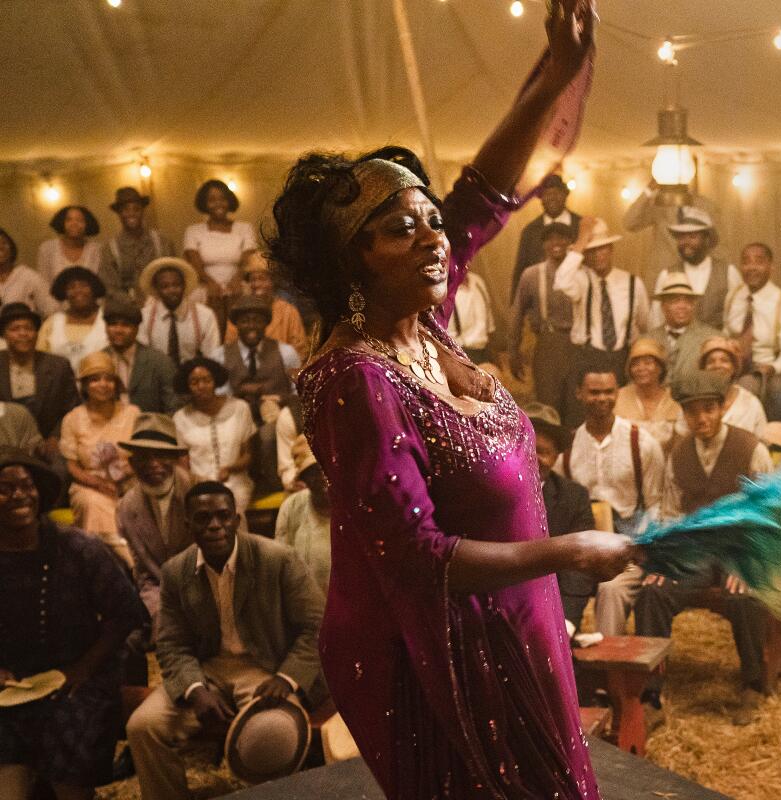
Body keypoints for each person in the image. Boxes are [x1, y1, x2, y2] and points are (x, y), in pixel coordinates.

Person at [270, 7, 637, 794]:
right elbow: (417, 559)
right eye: (401, 228)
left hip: (511, 606)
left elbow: (485, 193)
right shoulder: (355, 382)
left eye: (432, 222)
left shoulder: (424, 326)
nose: (436, 238)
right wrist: (571, 551)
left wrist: (555, 70)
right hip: (432, 639)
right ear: (353, 260)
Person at [126, 481, 325, 800]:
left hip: (267, 668)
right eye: (203, 518)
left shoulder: (277, 559)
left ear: (237, 519)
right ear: (188, 525)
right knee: (142, 726)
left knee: (274, 734)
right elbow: (172, 643)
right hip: (208, 670)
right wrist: (195, 689)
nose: (214, 526)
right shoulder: (176, 571)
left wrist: (287, 679)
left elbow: (316, 627)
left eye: (223, 516)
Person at [0, 448, 146, 800]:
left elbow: (126, 613)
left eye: (27, 485)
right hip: (12, 684)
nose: (19, 495)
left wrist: (81, 669)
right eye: (5, 487)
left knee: (68, 733)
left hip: (81, 679)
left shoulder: (78, 548)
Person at [637, 370, 775, 726]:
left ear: (722, 408)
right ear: (683, 415)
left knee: (742, 596)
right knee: (653, 591)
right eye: (692, 412)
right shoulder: (679, 453)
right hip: (695, 551)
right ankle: (651, 694)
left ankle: (753, 685)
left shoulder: (750, 448)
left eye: (709, 409)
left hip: (740, 548)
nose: (702, 419)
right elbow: (670, 513)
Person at [564, 365, 665, 635]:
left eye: (609, 391)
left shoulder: (641, 443)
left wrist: (643, 548)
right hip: (583, 549)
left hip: (627, 547)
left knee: (610, 590)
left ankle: (612, 669)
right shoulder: (569, 446)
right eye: (594, 392)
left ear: (618, 393)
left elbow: (656, 504)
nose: (602, 398)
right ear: (579, 394)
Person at [116, 414, 192, 638]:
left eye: (160, 455)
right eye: (143, 457)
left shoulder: (202, 492)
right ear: (131, 463)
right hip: (161, 594)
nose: (152, 464)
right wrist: (158, 610)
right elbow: (144, 573)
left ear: (175, 458)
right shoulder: (126, 508)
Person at [59, 351, 140, 562]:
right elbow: (72, 466)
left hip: (131, 481)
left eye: (108, 379)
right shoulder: (72, 419)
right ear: (84, 386)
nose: (103, 385)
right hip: (89, 485)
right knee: (92, 503)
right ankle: (129, 563)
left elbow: (142, 455)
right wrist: (98, 483)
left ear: (116, 384)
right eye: (95, 380)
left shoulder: (132, 413)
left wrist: (124, 478)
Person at [555, 217, 651, 391]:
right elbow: (561, 281)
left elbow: (645, 324)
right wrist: (581, 242)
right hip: (587, 358)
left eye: (602, 248)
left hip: (623, 359)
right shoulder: (581, 280)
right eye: (591, 251)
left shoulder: (632, 283)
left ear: (611, 249)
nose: (598, 255)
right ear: (585, 255)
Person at [525, 402, 596, 632]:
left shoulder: (574, 498)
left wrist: (566, 623)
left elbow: (580, 564)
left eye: (543, 452)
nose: (533, 458)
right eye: (526, 448)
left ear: (556, 457)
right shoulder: (492, 491)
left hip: (554, 605)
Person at [508, 222, 578, 417]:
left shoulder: (581, 272)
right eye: (550, 239)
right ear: (543, 244)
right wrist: (513, 351)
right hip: (548, 343)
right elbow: (517, 313)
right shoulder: (531, 275)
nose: (556, 243)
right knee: (548, 406)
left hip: (579, 345)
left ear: (571, 242)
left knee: (576, 404)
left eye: (562, 238)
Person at [172, 357, 256, 513]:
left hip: (235, 482)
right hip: (198, 485)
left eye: (207, 380)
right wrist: (194, 479)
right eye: (194, 382)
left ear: (215, 380)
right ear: (187, 385)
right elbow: (182, 464)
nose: (201, 386)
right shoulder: (180, 418)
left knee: (231, 511)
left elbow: (248, 456)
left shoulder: (240, 408)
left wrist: (230, 468)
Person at [723, 242, 781, 411]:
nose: (751, 267)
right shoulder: (733, 296)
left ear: (771, 267)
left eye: (759, 261)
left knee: (744, 389)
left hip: (765, 368)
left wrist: (773, 368)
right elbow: (726, 332)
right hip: (732, 365)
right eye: (746, 262)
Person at [0, 303, 79, 464]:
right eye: (15, 329)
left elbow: (72, 407)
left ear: (36, 333)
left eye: (29, 328)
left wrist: (56, 437)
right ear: (4, 335)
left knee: (60, 472)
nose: (23, 334)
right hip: (5, 441)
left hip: (48, 442)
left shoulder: (58, 365)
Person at [184, 179, 257, 330]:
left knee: (247, 301)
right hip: (205, 284)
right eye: (212, 200)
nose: (218, 204)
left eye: (222, 198)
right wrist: (210, 283)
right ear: (204, 204)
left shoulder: (245, 228)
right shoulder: (193, 231)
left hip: (238, 281)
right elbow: (194, 262)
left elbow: (249, 258)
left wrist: (236, 280)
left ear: (229, 200)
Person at [650, 207, 741, 329]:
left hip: (716, 344)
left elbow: (738, 316)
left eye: (692, 237)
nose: (686, 242)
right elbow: (656, 320)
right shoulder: (667, 275)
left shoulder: (728, 272)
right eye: (681, 237)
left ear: (707, 239)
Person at [102, 294, 180, 414]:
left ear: (137, 329)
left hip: (149, 429)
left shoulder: (160, 362)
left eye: (125, 325)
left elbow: (173, 408)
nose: (118, 330)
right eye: (113, 324)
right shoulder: (98, 359)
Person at [137, 256, 222, 365]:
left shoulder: (204, 315)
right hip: (156, 375)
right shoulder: (144, 317)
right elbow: (143, 359)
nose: (172, 290)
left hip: (192, 376)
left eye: (176, 285)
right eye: (165, 286)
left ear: (184, 285)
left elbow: (212, 357)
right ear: (156, 289)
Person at [98, 186, 175, 305]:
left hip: (163, 303)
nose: (131, 213)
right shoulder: (110, 249)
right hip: (127, 309)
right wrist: (133, 302)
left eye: (136, 209)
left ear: (143, 211)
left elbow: (173, 275)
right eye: (126, 210)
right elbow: (109, 287)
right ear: (119, 213)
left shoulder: (162, 241)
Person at [623, 182, 720, 275]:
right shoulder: (659, 204)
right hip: (663, 273)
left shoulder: (705, 205)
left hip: (696, 272)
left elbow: (715, 243)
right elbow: (629, 223)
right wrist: (648, 190)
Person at [223, 252, 308, 357]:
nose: (257, 284)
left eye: (262, 279)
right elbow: (230, 349)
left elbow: (300, 350)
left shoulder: (288, 311)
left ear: (273, 281)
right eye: (253, 279)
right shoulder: (238, 311)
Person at [511, 173, 581, 298]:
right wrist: (517, 307)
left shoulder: (581, 225)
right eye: (547, 194)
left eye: (557, 193)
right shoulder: (530, 231)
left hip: (577, 297)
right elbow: (520, 271)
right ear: (541, 199)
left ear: (565, 195)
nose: (552, 198)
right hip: (540, 302)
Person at [647, 273, 719, 384]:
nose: (682, 306)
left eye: (688, 301)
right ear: (663, 306)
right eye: (675, 301)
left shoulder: (713, 338)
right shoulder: (647, 340)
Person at [37, 266, 109, 373]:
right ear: (64, 293)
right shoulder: (52, 322)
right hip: (57, 386)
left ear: (94, 289)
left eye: (84, 286)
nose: (78, 291)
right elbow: (40, 358)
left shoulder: (108, 319)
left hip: (99, 385)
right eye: (71, 287)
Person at [275, 461, 332, 595]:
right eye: (314, 472)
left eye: (326, 469)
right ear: (305, 480)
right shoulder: (292, 506)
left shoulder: (355, 507)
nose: (322, 477)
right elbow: (281, 562)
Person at [694, 336, 768, 440]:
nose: (717, 365)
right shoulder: (692, 400)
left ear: (734, 367)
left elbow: (762, 445)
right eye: (711, 361)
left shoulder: (751, 403)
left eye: (724, 360)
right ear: (703, 368)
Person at [615, 337, 681, 452]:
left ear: (660, 368)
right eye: (635, 364)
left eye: (648, 363)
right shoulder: (618, 397)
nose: (641, 368)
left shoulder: (675, 399)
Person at [36, 205, 102, 283]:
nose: (74, 223)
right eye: (69, 220)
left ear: (88, 224)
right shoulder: (47, 248)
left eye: (80, 220)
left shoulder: (97, 250)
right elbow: (43, 283)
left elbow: (100, 283)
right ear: (61, 222)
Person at [0, 227, 55, 317]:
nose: (0, 247)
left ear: (12, 248)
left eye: (4, 243)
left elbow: (51, 309)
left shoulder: (29, 276)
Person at [444, 271, 496, 365]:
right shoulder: (445, 292)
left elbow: (489, 325)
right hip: (461, 356)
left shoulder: (477, 281)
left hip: (485, 352)